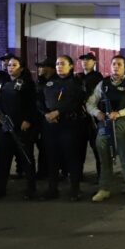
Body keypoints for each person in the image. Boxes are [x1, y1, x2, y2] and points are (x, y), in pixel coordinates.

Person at [88, 55, 125, 203]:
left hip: (123, 124)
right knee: (104, 159)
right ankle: (104, 189)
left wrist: (119, 113)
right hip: (105, 124)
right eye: (113, 64)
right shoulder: (103, 84)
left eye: (119, 64)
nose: (116, 67)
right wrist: (97, 113)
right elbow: (90, 103)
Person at [0, 55, 38, 200]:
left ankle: (31, 189)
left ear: (21, 68)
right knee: (4, 160)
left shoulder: (28, 84)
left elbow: (33, 104)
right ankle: (0, 189)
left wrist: (28, 120)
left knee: (27, 159)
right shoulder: (2, 83)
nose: (10, 68)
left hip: (22, 128)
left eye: (14, 65)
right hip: (5, 127)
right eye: (9, 65)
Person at [38, 55, 86, 201]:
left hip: (69, 125)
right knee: (52, 157)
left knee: (72, 158)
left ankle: (75, 189)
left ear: (71, 66)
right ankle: (52, 189)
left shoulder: (76, 82)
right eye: (57, 64)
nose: (59, 66)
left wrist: (58, 112)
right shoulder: (49, 82)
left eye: (63, 64)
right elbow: (39, 100)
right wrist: (46, 113)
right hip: (51, 125)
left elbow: (76, 102)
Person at [78, 52, 104, 177]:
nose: (85, 62)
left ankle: (101, 175)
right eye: (83, 60)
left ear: (94, 62)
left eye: (88, 60)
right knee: (79, 148)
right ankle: (78, 174)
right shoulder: (78, 77)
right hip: (80, 118)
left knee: (97, 148)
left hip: (93, 118)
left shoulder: (98, 78)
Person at [33, 58, 56, 180]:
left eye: (42, 67)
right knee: (42, 146)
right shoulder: (39, 81)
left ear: (51, 69)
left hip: (53, 118)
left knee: (52, 147)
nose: (39, 69)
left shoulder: (57, 82)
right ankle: (42, 171)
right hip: (40, 118)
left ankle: (54, 172)